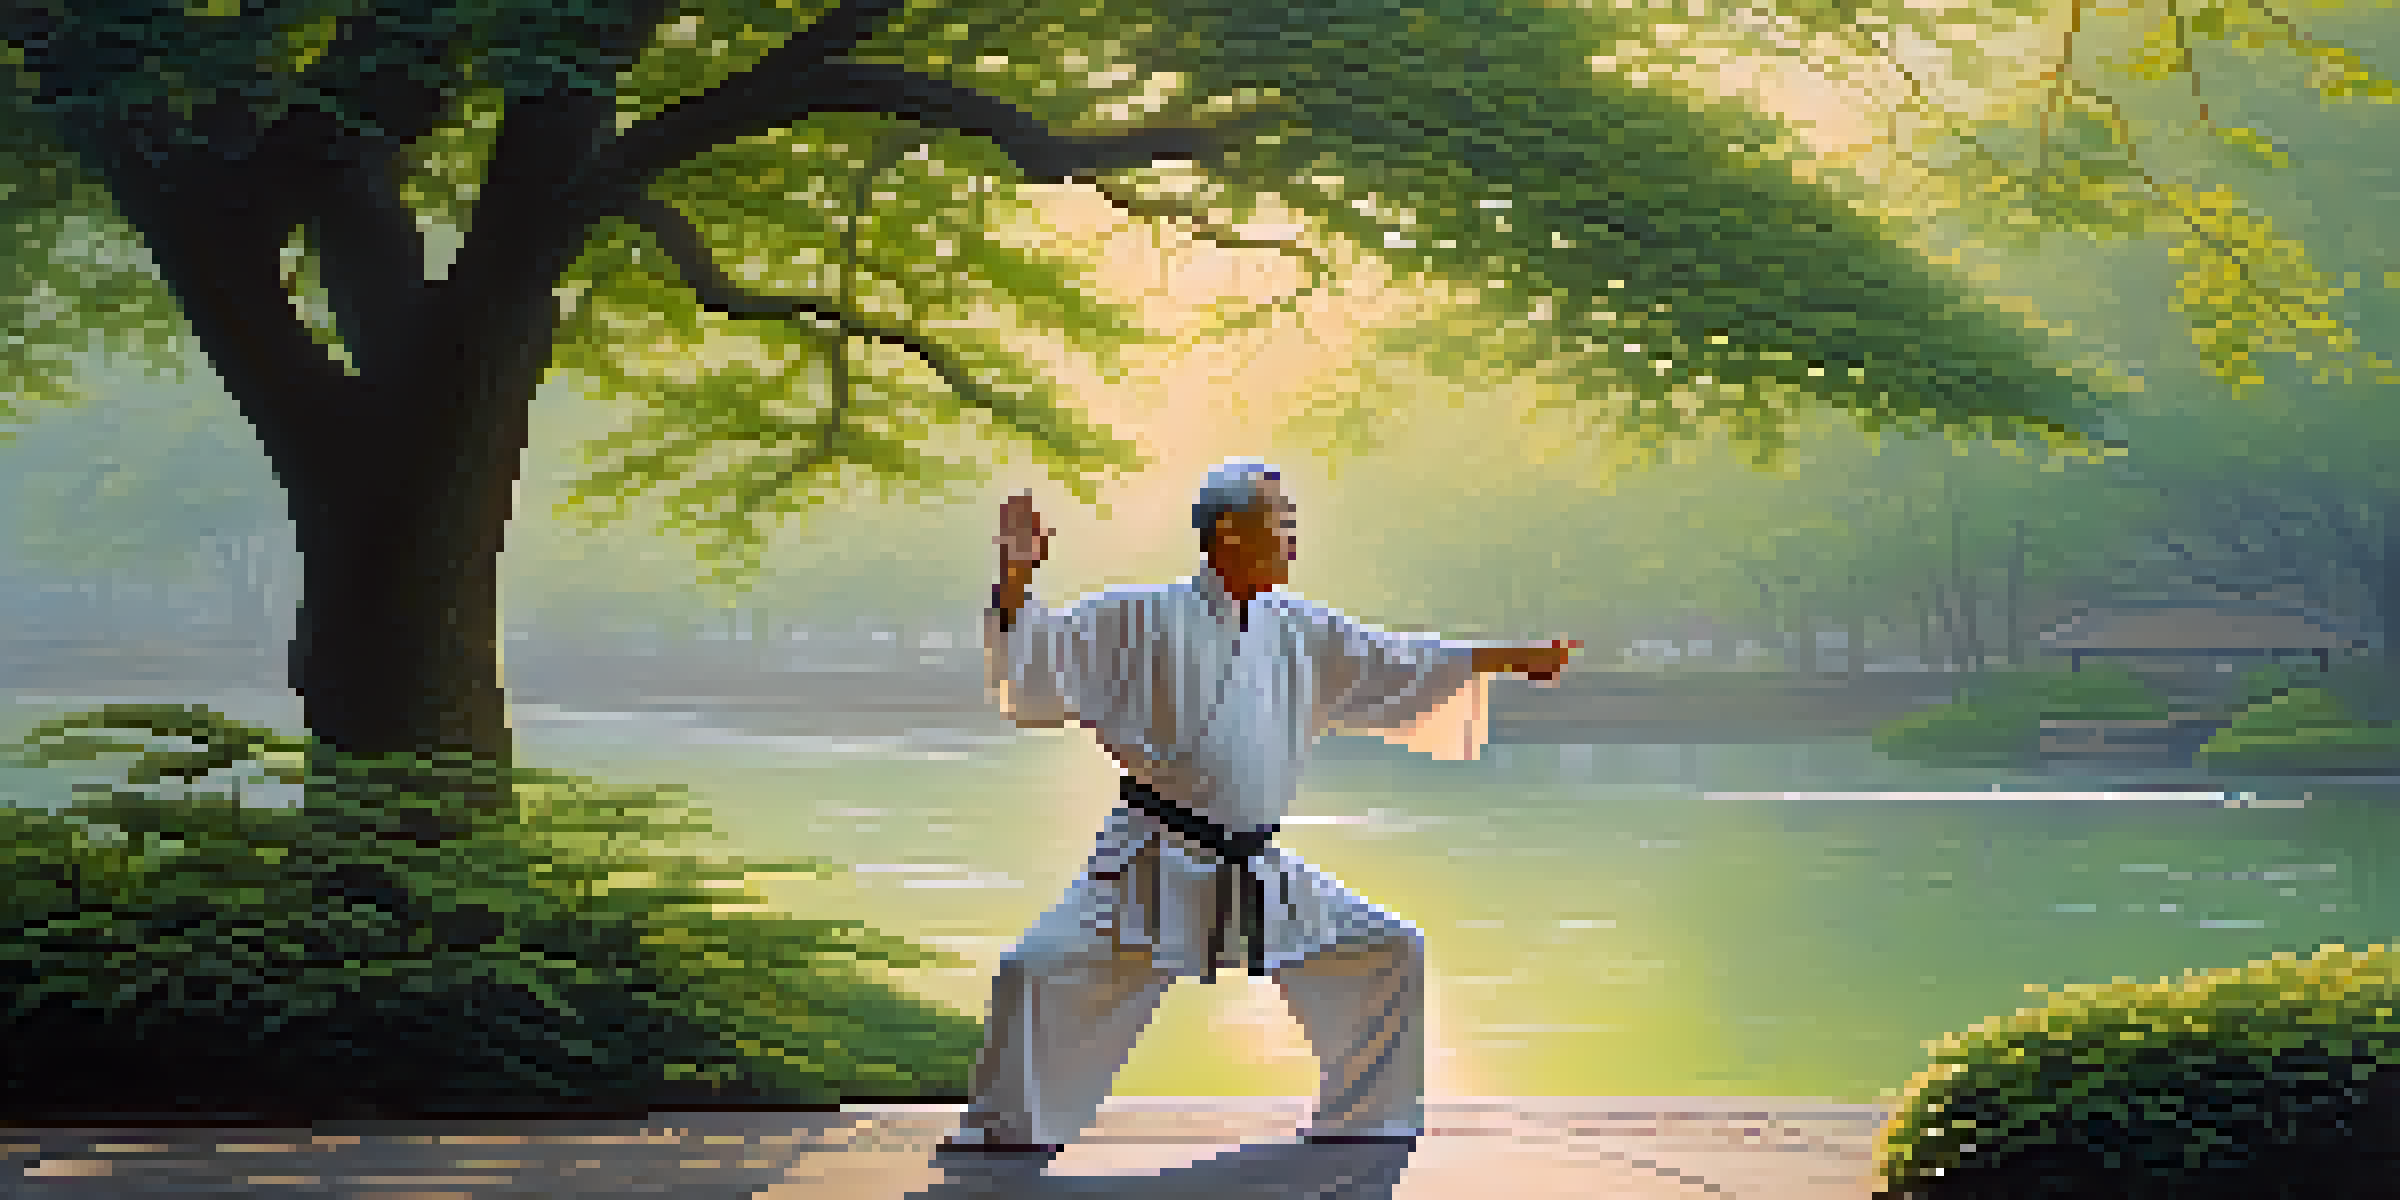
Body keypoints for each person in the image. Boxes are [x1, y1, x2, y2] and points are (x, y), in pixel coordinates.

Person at [939, 458, 1578, 1163]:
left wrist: (1512, 658)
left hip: (1257, 867)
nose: (1293, 535)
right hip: (1151, 861)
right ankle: (1007, 1136)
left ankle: (1367, 1120)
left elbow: (1400, 660)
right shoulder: (1140, 617)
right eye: (1281, 520)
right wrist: (1017, 580)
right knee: (1033, 968)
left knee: (1392, 950)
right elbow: (1039, 666)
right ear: (1229, 532)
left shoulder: (1298, 629)